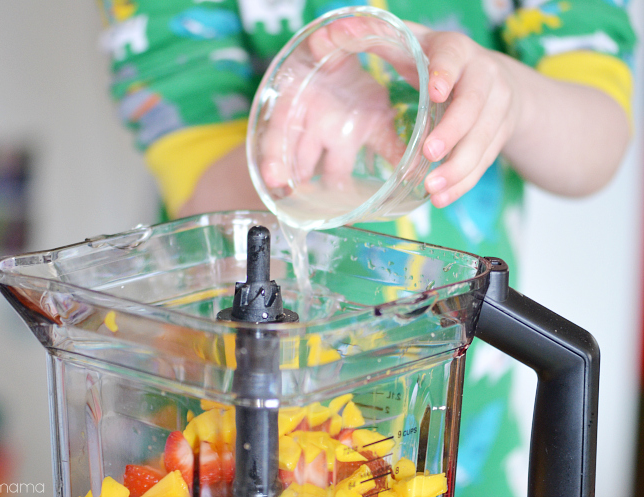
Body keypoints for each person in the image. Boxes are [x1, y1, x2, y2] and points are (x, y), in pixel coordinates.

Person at [97, 1, 636, 495]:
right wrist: (290, 152)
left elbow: (598, 137)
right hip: (219, 439)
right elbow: (196, 165)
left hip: (463, 438)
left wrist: (512, 97)